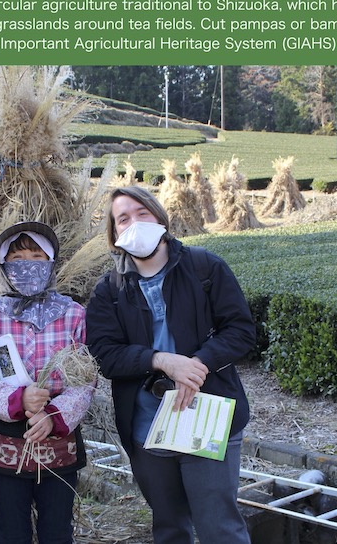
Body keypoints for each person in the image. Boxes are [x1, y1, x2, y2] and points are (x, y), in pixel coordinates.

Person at [85, 186, 256, 544]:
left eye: (142, 212)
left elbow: (240, 330)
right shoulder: (109, 290)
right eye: (123, 219)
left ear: (160, 218)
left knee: (219, 527)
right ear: (115, 236)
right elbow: (104, 354)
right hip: (148, 427)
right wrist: (161, 360)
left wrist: (198, 363)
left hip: (206, 417)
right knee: (169, 528)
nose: (135, 222)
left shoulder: (204, 266)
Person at [0, 222, 94, 544]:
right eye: (18, 257)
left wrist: (53, 415)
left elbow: (85, 381)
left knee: (57, 530)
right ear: (4, 266)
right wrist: (19, 400)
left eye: (37, 256)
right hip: (7, 439)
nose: (28, 265)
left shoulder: (74, 315)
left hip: (59, 438)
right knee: (11, 531)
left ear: (51, 263)